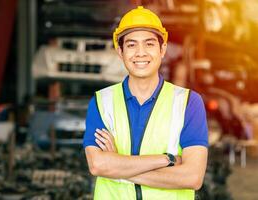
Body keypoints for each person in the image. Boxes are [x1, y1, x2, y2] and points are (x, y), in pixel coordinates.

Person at [83, 6, 208, 200]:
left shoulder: (188, 103)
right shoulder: (101, 102)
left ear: (162, 49)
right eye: (132, 45)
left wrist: (119, 167)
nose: (140, 53)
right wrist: (167, 159)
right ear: (120, 51)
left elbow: (192, 177)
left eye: (149, 44)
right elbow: (98, 165)